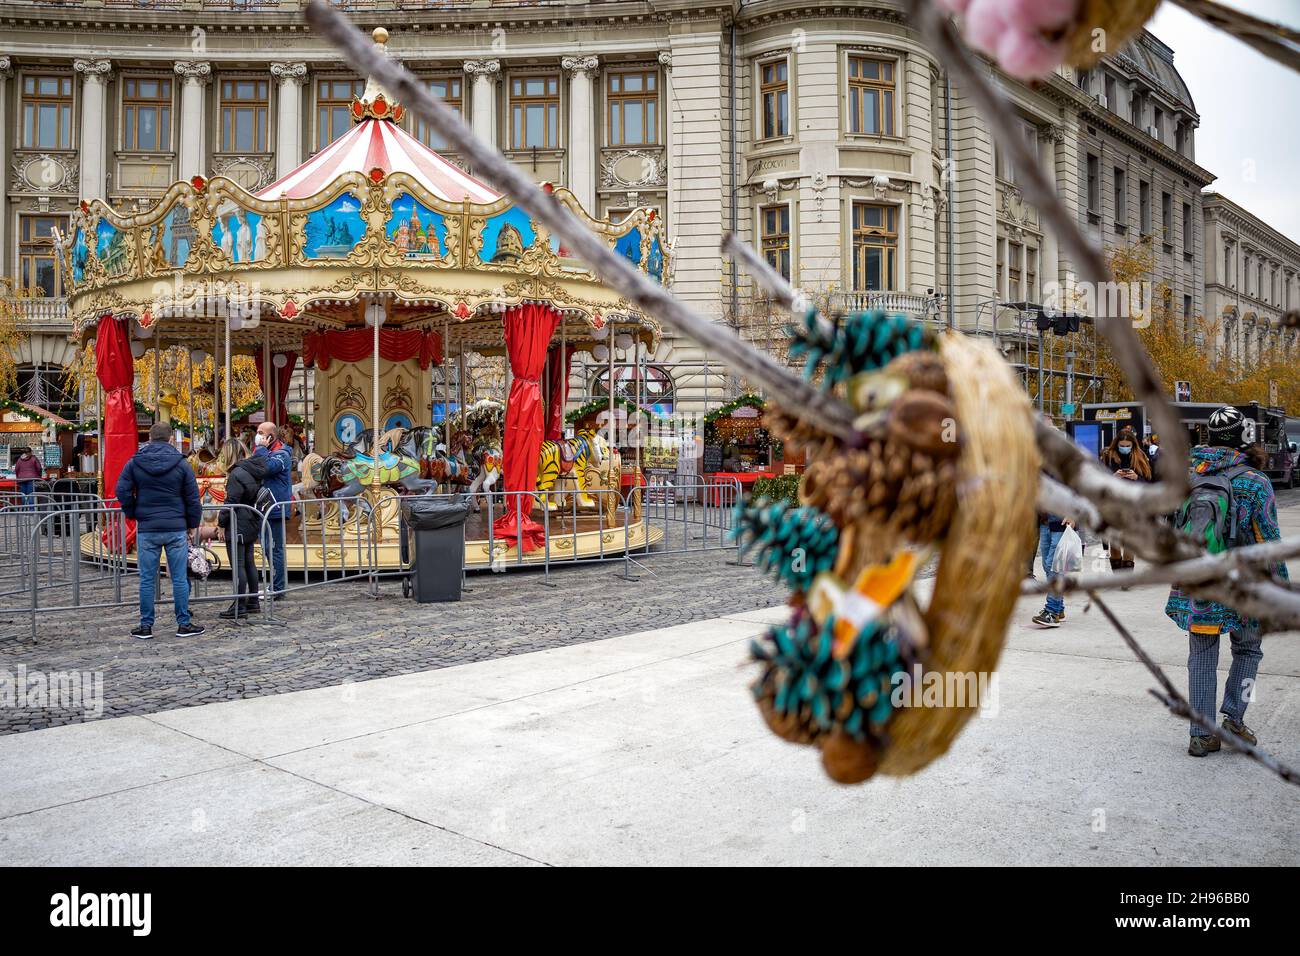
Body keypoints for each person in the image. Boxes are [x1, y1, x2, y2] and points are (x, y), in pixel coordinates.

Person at [1166, 405, 1289, 757]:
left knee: (1201, 657)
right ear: (1244, 438)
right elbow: (1269, 540)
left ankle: (1201, 734)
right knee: (1249, 650)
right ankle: (1235, 717)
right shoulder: (1254, 481)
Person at [116, 422, 205, 640]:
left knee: (147, 579)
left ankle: (146, 625)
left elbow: (122, 490)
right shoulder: (181, 464)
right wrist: (192, 524)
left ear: (149, 437)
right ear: (170, 439)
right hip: (176, 527)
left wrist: (133, 512)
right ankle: (183, 623)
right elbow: (193, 498)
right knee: (179, 578)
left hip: (148, 527)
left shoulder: (135, 462)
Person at [215, 438, 268, 619]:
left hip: (238, 521)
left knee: (238, 565)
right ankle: (253, 601)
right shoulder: (251, 470)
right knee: (249, 562)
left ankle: (239, 603)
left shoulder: (236, 474)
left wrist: (221, 523)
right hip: (251, 519)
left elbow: (231, 502)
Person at [1100, 426, 1151, 573]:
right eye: (1122, 446)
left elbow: (1149, 482)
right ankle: (1118, 574)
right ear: (1117, 444)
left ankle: (1126, 576)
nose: (1125, 448)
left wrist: (1137, 478)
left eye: (1127, 446)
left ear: (1133, 445)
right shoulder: (1108, 456)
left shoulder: (1140, 457)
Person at [253, 420, 293, 597]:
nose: (258, 435)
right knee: (267, 546)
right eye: (258, 431)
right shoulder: (266, 452)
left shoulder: (282, 454)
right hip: (264, 506)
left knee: (274, 548)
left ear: (271, 436)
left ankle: (278, 588)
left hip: (275, 507)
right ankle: (275, 586)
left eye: (262, 432)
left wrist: (261, 449)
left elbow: (265, 469)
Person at [1031, 513, 1073, 627]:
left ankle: (1052, 612)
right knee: (1047, 566)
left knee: (1054, 566)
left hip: (1062, 522)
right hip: (1044, 522)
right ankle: (1059, 610)